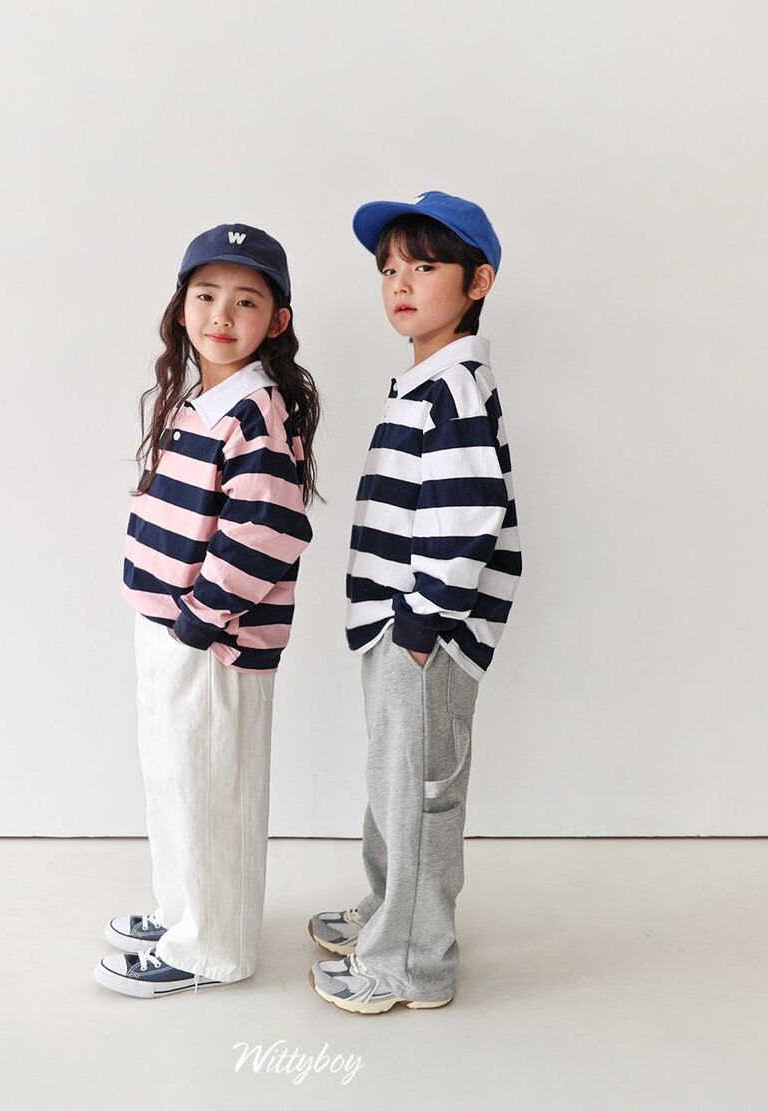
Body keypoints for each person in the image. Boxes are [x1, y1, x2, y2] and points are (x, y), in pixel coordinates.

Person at [308, 191, 521, 1013]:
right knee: (395, 776)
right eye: (389, 268)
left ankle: (411, 961)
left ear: (477, 281)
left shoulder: (454, 388)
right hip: (397, 622)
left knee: (424, 788)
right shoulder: (425, 382)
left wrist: (423, 619)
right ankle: (385, 911)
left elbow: (468, 514)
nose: (400, 283)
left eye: (425, 266)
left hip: (424, 628)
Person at [96, 224, 320, 999]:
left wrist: (200, 619)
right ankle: (181, 914)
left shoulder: (256, 413)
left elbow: (268, 530)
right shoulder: (198, 402)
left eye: (246, 300)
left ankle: (212, 948)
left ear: (276, 321)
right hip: (166, 630)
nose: (221, 314)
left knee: (212, 793)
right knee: (174, 782)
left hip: (214, 640)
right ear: (181, 306)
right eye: (206, 295)